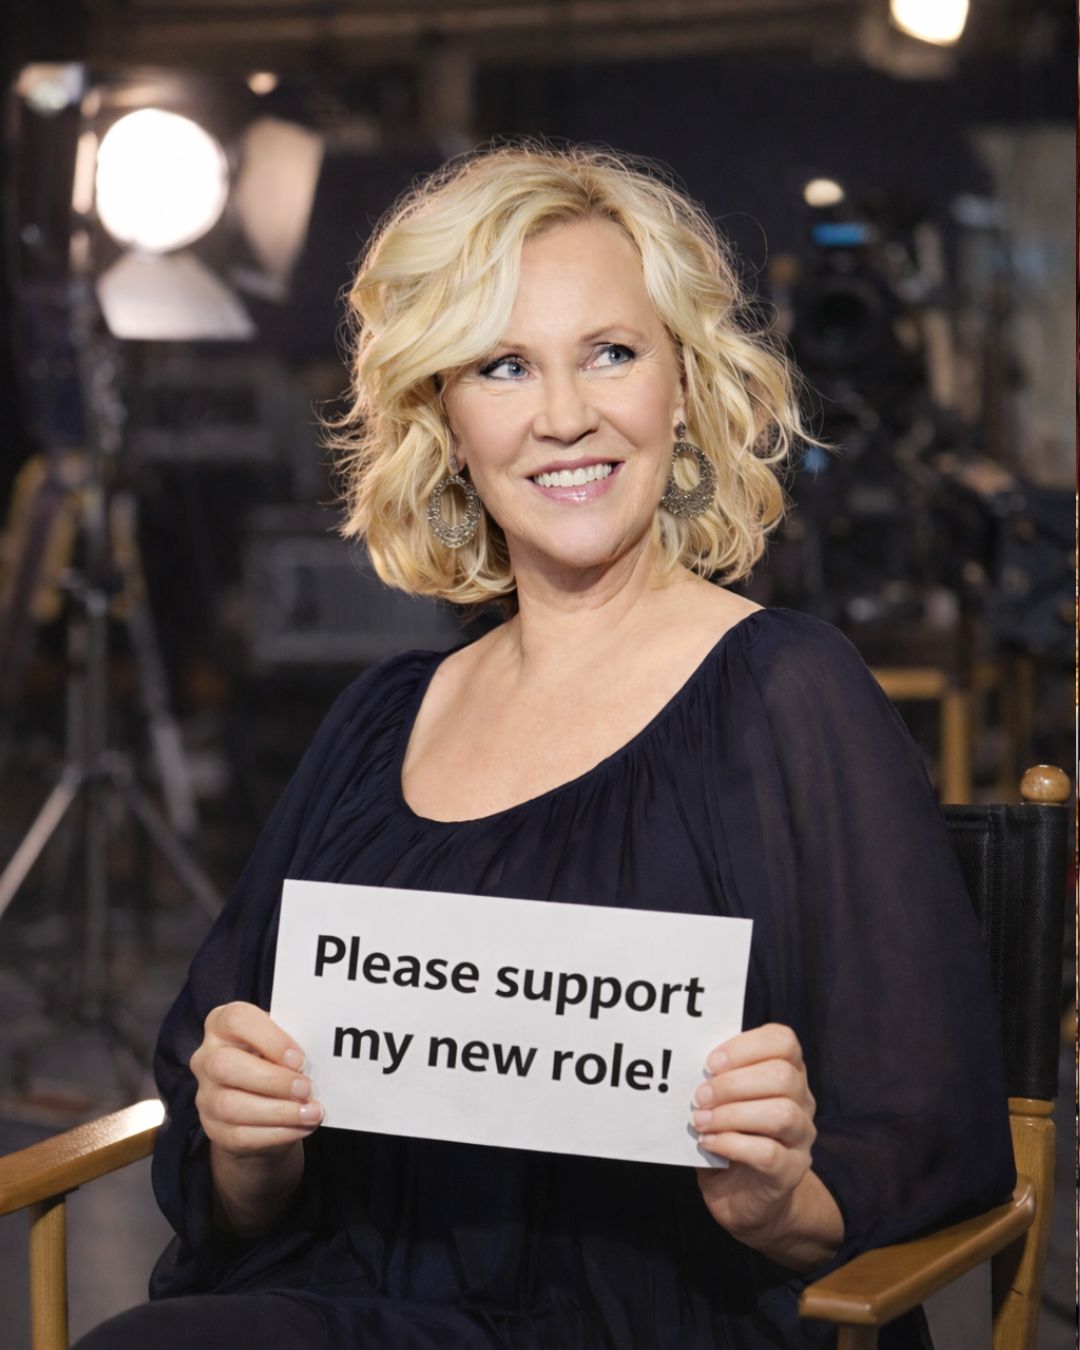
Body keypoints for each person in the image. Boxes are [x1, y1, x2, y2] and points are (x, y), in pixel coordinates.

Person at [76, 141, 1014, 1350]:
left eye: (611, 352)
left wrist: (781, 1202)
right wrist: (249, 1146)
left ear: (684, 384)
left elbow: (931, 1132)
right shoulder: (379, 721)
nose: (565, 416)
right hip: (358, 1304)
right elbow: (232, 1132)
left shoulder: (792, 693)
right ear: (445, 418)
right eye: (504, 365)